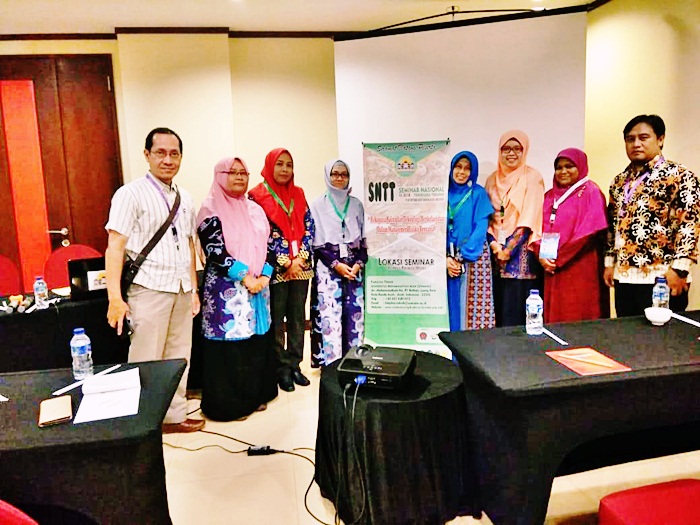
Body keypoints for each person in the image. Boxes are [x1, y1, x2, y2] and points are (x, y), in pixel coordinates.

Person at [105, 127, 204, 433]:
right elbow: (115, 246)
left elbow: (189, 245)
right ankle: (142, 425)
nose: (168, 160)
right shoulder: (130, 194)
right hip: (148, 289)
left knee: (179, 356)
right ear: (147, 155)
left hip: (181, 288)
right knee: (146, 360)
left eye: (174, 154)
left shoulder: (185, 198)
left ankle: (174, 416)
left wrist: (194, 289)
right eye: (160, 153)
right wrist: (114, 298)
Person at [196, 157, 278, 421]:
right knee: (232, 346)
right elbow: (215, 250)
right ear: (220, 175)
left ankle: (256, 395)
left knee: (255, 342)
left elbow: (271, 244)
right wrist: (246, 277)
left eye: (244, 173)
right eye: (233, 172)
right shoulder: (210, 208)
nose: (240, 177)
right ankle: (231, 406)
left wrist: (265, 275)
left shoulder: (255, 209)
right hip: (226, 290)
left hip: (259, 288)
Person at [604, 114, 700, 317]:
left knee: (663, 335)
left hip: (663, 278)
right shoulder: (619, 182)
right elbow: (612, 226)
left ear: (660, 139)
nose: (636, 144)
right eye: (630, 139)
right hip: (624, 278)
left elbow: (689, 224)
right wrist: (610, 263)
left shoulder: (679, 176)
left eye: (643, 137)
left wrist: (680, 270)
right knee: (626, 334)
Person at [249, 148, 315, 392]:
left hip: (301, 267)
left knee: (297, 318)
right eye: (279, 164)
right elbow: (260, 233)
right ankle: (280, 369)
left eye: (289, 164)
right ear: (270, 166)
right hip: (275, 269)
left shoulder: (299, 193)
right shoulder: (256, 196)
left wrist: (300, 258)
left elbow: (309, 226)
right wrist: (285, 261)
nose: (285, 169)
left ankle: (294, 365)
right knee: (277, 320)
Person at [533, 148, 609, 323]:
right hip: (551, 266)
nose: (563, 171)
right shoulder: (550, 196)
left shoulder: (591, 192)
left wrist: (559, 258)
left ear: (581, 166)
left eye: (569, 166)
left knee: (577, 311)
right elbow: (537, 227)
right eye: (559, 168)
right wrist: (542, 255)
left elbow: (587, 233)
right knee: (555, 313)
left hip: (579, 265)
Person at [309, 159, 367, 367]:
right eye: (335, 174)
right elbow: (316, 244)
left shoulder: (357, 205)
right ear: (328, 176)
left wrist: (358, 263)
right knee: (330, 316)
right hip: (328, 268)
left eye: (344, 174)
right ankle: (332, 364)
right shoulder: (317, 205)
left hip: (353, 269)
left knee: (355, 315)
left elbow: (364, 242)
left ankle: (354, 360)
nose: (340, 178)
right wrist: (336, 265)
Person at [485, 130, 545, 327]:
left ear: (524, 150)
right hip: (495, 256)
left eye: (517, 149)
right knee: (499, 310)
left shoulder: (532, 178)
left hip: (522, 257)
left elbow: (529, 218)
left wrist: (508, 250)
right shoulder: (492, 180)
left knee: (519, 311)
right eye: (506, 149)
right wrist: (495, 247)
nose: (511, 153)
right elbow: (487, 217)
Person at [445, 151, 496, 331]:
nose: (462, 172)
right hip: (445, 259)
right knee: (447, 307)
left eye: (467, 168)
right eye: (458, 167)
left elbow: (481, 227)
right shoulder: (441, 193)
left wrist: (461, 257)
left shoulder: (478, 193)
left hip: (472, 258)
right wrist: (445, 258)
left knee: (470, 311)